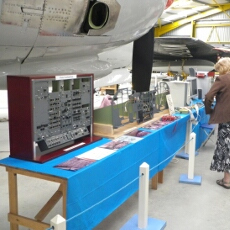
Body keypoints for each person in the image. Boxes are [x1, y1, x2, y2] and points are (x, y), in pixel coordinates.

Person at [204, 57, 230, 189]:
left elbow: (209, 96)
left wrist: (209, 110)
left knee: (226, 148)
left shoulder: (222, 79)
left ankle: (227, 180)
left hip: (227, 120)